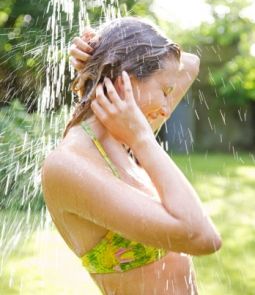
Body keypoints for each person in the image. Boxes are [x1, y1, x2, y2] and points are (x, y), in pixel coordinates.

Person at [41, 16, 222, 295]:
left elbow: (190, 64)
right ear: (126, 79)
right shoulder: (70, 164)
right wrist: (143, 140)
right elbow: (202, 237)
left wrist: (102, 54)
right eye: (165, 91)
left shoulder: (119, 136)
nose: (165, 108)